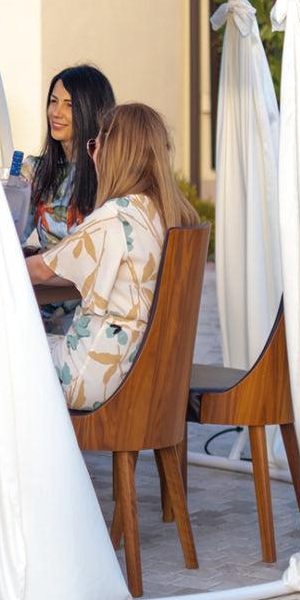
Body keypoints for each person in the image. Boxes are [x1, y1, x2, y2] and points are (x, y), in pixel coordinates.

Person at [27, 103, 198, 411]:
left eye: (95, 146)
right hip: (142, 372)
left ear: (113, 153)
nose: (93, 156)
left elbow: (39, 270)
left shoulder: (113, 217)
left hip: (89, 377)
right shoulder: (166, 214)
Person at [21, 65, 116, 334]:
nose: (56, 112)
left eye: (69, 105)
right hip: (39, 309)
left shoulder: (110, 176)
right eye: (53, 101)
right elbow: (8, 232)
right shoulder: (35, 171)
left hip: (90, 319)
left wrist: (38, 263)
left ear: (91, 111)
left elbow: (100, 261)